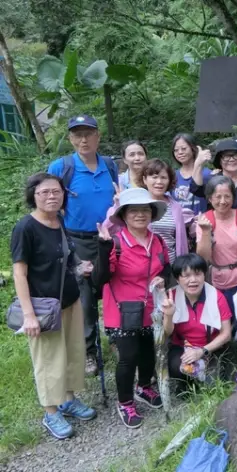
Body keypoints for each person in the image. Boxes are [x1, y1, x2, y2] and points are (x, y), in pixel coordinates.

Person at [12, 173, 96, 439]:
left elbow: (62, 259)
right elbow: (19, 273)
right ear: (33, 196)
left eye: (56, 192)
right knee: (48, 360)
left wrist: (79, 267)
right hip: (43, 308)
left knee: (71, 354)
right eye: (44, 192)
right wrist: (29, 315)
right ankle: (50, 413)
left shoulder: (58, 221)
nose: (51, 196)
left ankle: (68, 399)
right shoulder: (25, 227)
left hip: (69, 300)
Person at [47, 114, 119, 377]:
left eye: (88, 133)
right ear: (70, 138)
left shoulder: (110, 165)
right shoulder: (61, 167)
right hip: (78, 241)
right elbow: (47, 201)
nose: (83, 139)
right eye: (77, 134)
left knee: (115, 288)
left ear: (98, 136)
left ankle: (116, 338)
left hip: (110, 238)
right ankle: (89, 351)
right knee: (86, 297)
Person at [93, 188, 170, 429]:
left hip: (150, 307)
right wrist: (103, 248)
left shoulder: (157, 241)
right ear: (124, 215)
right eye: (134, 210)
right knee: (128, 357)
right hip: (121, 310)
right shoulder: (115, 243)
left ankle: (144, 387)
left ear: (152, 213)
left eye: (145, 210)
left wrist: (163, 279)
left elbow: (166, 267)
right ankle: (125, 402)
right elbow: (99, 279)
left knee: (148, 351)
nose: (140, 214)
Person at [161, 254, 233, 389]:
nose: (193, 280)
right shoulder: (172, 297)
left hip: (211, 347)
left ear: (204, 275)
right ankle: (187, 382)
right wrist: (169, 315)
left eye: (197, 274)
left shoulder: (217, 296)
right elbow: (167, 333)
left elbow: (226, 334)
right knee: (175, 367)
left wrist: (202, 351)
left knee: (213, 383)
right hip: (183, 347)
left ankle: (203, 376)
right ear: (177, 279)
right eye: (186, 276)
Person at [195, 175, 237, 313]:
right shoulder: (205, 220)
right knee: (226, 316)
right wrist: (205, 231)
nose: (223, 201)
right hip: (220, 278)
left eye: (227, 196)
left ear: (233, 198)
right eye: (218, 197)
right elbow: (203, 258)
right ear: (210, 198)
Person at [136, 159, 195, 265]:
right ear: (144, 179)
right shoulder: (136, 204)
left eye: (163, 177)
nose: (159, 182)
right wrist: (117, 204)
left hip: (171, 266)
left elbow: (181, 240)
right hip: (143, 266)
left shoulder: (175, 207)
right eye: (154, 177)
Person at [191, 139, 237, 215]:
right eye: (226, 156)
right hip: (216, 226)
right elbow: (196, 188)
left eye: (235, 155)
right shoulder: (213, 180)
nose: (231, 159)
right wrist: (198, 163)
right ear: (219, 160)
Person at [172, 133, 212, 215]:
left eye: (184, 149)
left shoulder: (208, 174)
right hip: (179, 225)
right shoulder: (172, 176)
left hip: (202, 223)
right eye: (176, 150)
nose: (180, 152)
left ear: (193, 148)